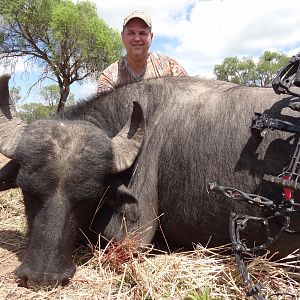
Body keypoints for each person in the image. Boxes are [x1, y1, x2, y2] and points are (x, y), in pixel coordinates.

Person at [97, 10, 188, 95]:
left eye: (142, 33)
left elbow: (190, 98)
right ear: (122, 36)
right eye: (131, 33)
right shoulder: (109, 77)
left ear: (151, 37)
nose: (137, 38)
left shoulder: (170, 68)